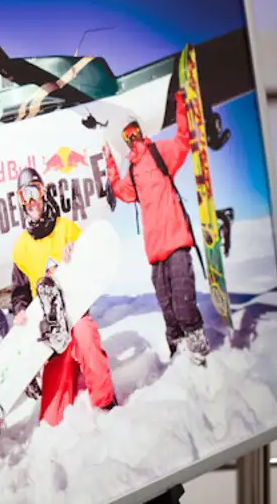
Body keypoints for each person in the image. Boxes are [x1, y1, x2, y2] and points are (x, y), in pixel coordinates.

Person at [101, 89, 211, 365]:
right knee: (168, 312)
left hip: (176, 243)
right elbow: (121, 191)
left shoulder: (159, 152)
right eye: (127, 136)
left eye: (134, 131)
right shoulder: (133, 174)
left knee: (184, 305)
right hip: (155, 253)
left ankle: (200, 354)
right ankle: (178, 360)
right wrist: (109, 161)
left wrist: (181, 106)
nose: (132, 137)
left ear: (141, 130)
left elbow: (183, 141)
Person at [11, 167, 116, 427]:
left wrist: (78, 253)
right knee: (51, 418)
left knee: (86, 336)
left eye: (35, 191)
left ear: (44, 192)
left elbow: (93, 266)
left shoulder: (66, 228)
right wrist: (21, 309)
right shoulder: (21, 248)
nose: (31, 201)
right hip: (52, 330)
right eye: (25, 196)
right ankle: (65, 380)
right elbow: (19, 292)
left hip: (76, 314)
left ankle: (105, 404)